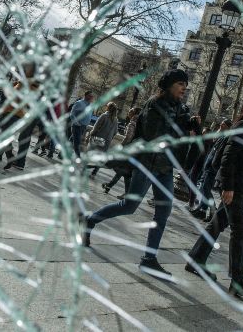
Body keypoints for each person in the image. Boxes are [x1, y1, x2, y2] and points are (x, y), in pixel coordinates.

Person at [82, 69, 201, 277]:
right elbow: (155, 136)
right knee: (129, 206)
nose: (184, 87)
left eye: (185, 84)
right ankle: (90, 220)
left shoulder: (181, 108)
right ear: (169, 85)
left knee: (163, 211)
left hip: (164, 167)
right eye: (181, 83)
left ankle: (148, 258)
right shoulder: (154, 105)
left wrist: (191, 124)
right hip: (147, 163)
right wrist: (182, 127)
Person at [185, 93, 243, 298]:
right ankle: (237, 280)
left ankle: (196, 259)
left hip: (240, 188)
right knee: (241, 231)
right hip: (232, 186)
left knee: (218, 223)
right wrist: (228, 186)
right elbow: (229, 156)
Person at [0, 63, 39, 171]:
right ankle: (0, 158)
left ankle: (6, 157)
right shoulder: (27, 84)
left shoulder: (28, 85)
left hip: (13, 113)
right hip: (15, 113)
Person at [189, 118, 232, 221]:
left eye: (223, 124)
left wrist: (214, 165)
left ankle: (210, 210)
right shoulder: (221, 136)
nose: (221, 125)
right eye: (221, 123)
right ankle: (203, 211)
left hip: (213, 168)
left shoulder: (227, 137)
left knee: (205, 189)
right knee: (204, 188)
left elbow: (220, 154)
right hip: (209, 166)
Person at [102, 106, 142, 197]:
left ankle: (111, 186)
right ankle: (110, 186)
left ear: (134, 113)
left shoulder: (132, 123)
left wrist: (122, 146)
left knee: (122, 170)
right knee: (124, 172)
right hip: (135, 150)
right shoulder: (140, 123)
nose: (129, 112)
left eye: (130, 111)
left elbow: (128, 137)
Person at [87, 102, 119, 178]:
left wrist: (90, 134)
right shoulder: (115, 119)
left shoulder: (104, 116)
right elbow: (115, 132)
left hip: (99, 138)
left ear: (108, 108)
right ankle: (94, 173)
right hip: (107, 141)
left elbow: (96, 127)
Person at [69, 91, 95, 158]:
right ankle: (78, 158)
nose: (91, 97)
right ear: (86, 95)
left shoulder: (91, 105)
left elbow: (89, 115)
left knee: (72, 139)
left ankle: (61, 153)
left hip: (84, 126)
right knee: (77, 142)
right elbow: (72, 114)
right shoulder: (79, 103)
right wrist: (76, 123)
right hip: (77, 125)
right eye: (90, 96)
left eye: (92, 96)